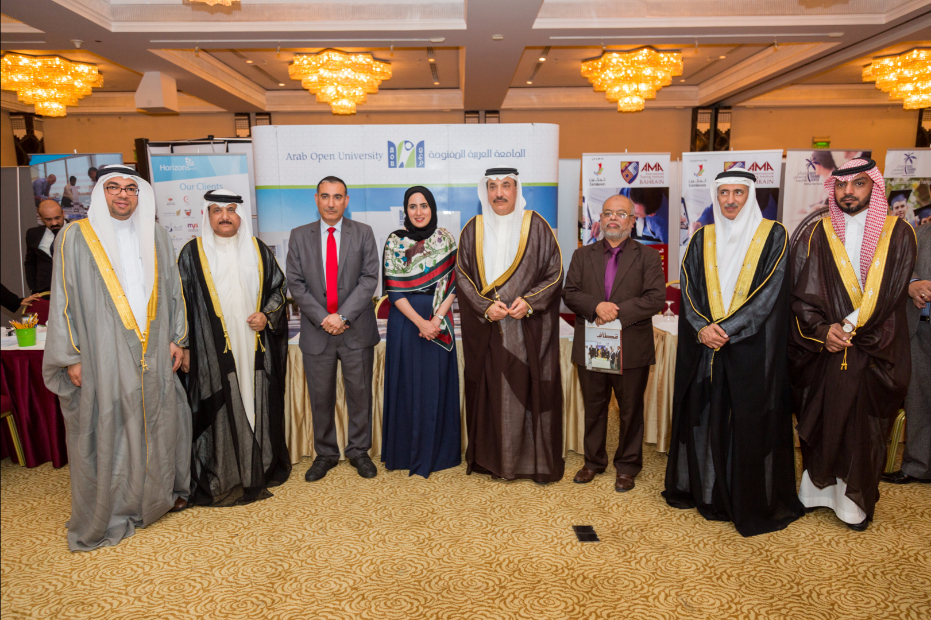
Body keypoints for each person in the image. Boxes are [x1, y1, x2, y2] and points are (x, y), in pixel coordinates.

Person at [42, 164, 191, 552]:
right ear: (99, 193)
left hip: (153, 344)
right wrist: (70, 356)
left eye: (130, 188)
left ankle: (156, 498)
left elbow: (173, 290)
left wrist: (177, 338)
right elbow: (62, 298)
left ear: (140, 195)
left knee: (158, 420)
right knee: (112, 424)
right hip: (102, 349)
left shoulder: (157, 235)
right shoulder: (76, 236)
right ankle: (115, 507)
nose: (123, 194)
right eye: (113, 187)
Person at [662, 169, 804, 536]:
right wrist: (702, 327)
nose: (730, 200)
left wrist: (727, 329)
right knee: (707, 413)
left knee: (746, 420)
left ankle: (744, 496)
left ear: (750, 195)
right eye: (723, 192)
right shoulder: (701, 237)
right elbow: (688, 287)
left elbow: (771, 291)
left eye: (738, 192)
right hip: (706, 344)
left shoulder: (774, 234)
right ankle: (707, 490)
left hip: (751, 346)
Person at [790, 158, 917, 531]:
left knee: (860, 427)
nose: (848, 192)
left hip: (877, 345)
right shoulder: (819, 231)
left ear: (874, 187)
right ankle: (814, 493)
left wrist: (848, 326)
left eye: (858, 184)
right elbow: (802, 289)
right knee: (822, 417)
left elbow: (891, 292)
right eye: (842, 185)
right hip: (827, 346)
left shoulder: (899, 232)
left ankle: (853, 505)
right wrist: (821, 330)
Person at [178, 189, 291, 506]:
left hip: (252, 344)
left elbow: (278, 289)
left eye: (230, 209)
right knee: (218, 401)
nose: (224, 216)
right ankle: (222, 470)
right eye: (217, 210)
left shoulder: (257, 249)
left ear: (240, 215)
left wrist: (266, 315)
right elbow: (179, 303)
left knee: (253, 398)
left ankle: (256, 466)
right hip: (210, 349)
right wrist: (184, 346)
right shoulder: (192, 253)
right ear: (207, 215)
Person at [455, 167, 565, 483]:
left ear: (516, 190)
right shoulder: (472, 229)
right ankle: (491, 459)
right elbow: (462, 276)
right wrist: (484, 307)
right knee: (490, 392)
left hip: (525, 329)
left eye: (505, 185)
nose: (499, 193)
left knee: (525, 391)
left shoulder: (537, 226)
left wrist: (530, 302)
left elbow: (555, 272)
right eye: (492, 186)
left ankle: (527, 461)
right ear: (485, 191)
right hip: (487, 328)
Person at [563, 194, 665, 492]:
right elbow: (570, 293)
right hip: (593, 344)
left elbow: (655, 298)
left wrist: (615, 311)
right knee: (594, 407)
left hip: (631, 346)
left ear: (632, 221)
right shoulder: (582, 255)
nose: (613, 218)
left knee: (630, 409)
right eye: (608, 213)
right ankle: (593, 461)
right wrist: (596, 306)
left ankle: (628, 466)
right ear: (600, 219)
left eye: (621, 214)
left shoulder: (647, 256)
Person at [287, 176, 380, 481]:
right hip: (317, 332)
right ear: (316, 199)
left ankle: (359, 451)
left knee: (360, 396)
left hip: (356, 330)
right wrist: (324, 318)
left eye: (337, 197)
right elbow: (296, 283)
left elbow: (369, 279)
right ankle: (325, 454)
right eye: (325, 196)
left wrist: (342, 316)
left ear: (346, 201)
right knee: (320, 398)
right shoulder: (299, 236)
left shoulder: (363, 233)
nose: (331, 203)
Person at [381, 186, 461, 477]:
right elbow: (393, 290)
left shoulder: (446, 239)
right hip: (406, 321)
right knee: (406, 385)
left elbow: (453, 284)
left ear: (432, 208)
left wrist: (436, 319)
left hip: (438, 319)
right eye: (412, 206)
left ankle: (440, 453)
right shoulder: (395, 241)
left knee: (435, 386)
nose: (418, 212)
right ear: (406, 210)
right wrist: (421, 322)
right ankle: (404, 453)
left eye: (424, 205)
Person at [882, 221, 931, 484]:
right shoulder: (916, 233)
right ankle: (918, 466)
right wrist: (912, 284)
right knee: (918, 399)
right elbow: (898, 267)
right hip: (918, 328)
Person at [23, 200, 64, 294]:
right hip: (44, 290)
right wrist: (33, 288)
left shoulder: (77, 231)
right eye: (48, 219)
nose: (54, 223)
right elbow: (30, 262)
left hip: (73, 290)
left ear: (63, 213)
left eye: (57, 218)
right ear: (40, 217)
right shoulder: (33, 233)